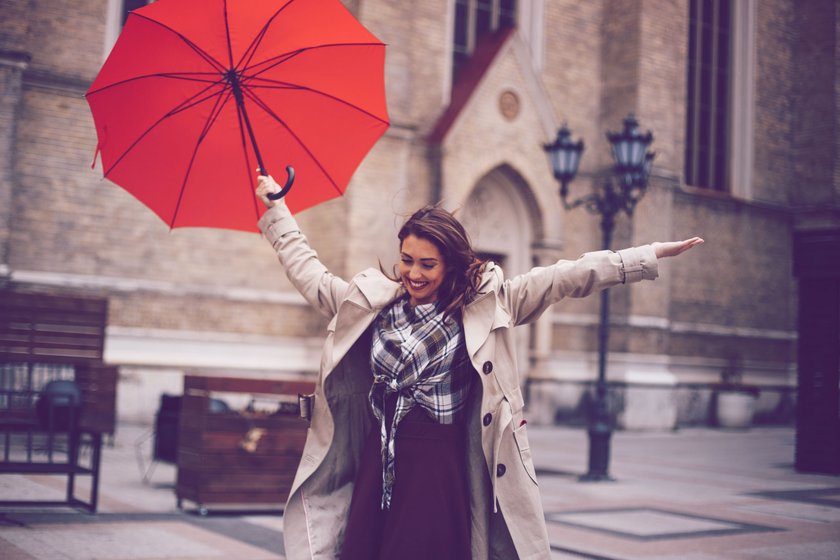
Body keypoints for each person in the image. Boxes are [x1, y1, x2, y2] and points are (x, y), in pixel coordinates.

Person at [255, 174, 703, 560]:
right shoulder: (371, 305)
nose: (413, 273)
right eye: (407, 260)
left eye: (427, 264)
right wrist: (278, 212)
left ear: (450, 263)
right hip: (380, 461)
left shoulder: (488, 305)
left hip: (442, 469)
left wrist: (641, 258)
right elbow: (310, 274)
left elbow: (565, 277)